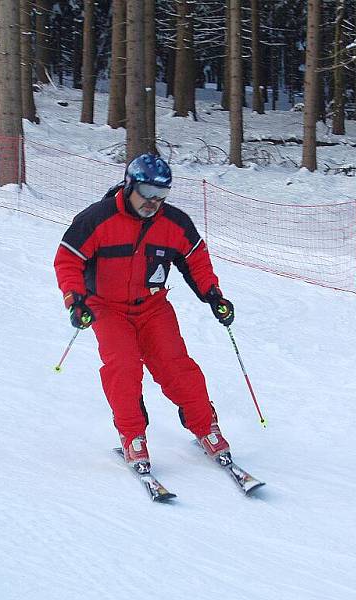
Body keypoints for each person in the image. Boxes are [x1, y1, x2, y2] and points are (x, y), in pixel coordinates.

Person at [54, 154, 236, 471]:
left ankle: (206, 426)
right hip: (106, 307)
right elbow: (68, 259)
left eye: (161, 195)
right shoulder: (97, 219)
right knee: (123, 367)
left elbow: (196, 260)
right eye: (147, 193)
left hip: (152, 306)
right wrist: (75, 299)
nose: (153, 202)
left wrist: (213, 294)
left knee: (175, 364)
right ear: (129, 185)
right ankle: (132, 435)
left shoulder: (174, 223)